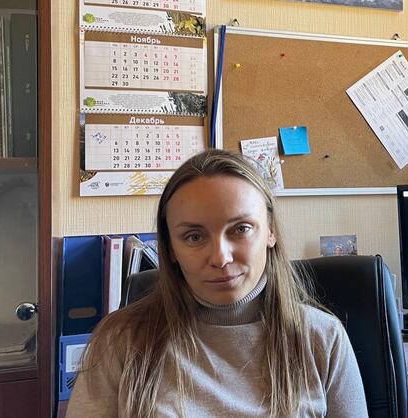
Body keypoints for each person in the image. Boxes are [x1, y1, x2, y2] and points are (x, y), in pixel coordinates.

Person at [67, 149, 368, 417]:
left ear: (270, 231)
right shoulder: (120, 341)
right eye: (194, 237)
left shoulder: (322, 339)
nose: (220, 257)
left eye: (241, 229)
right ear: (171, 248)